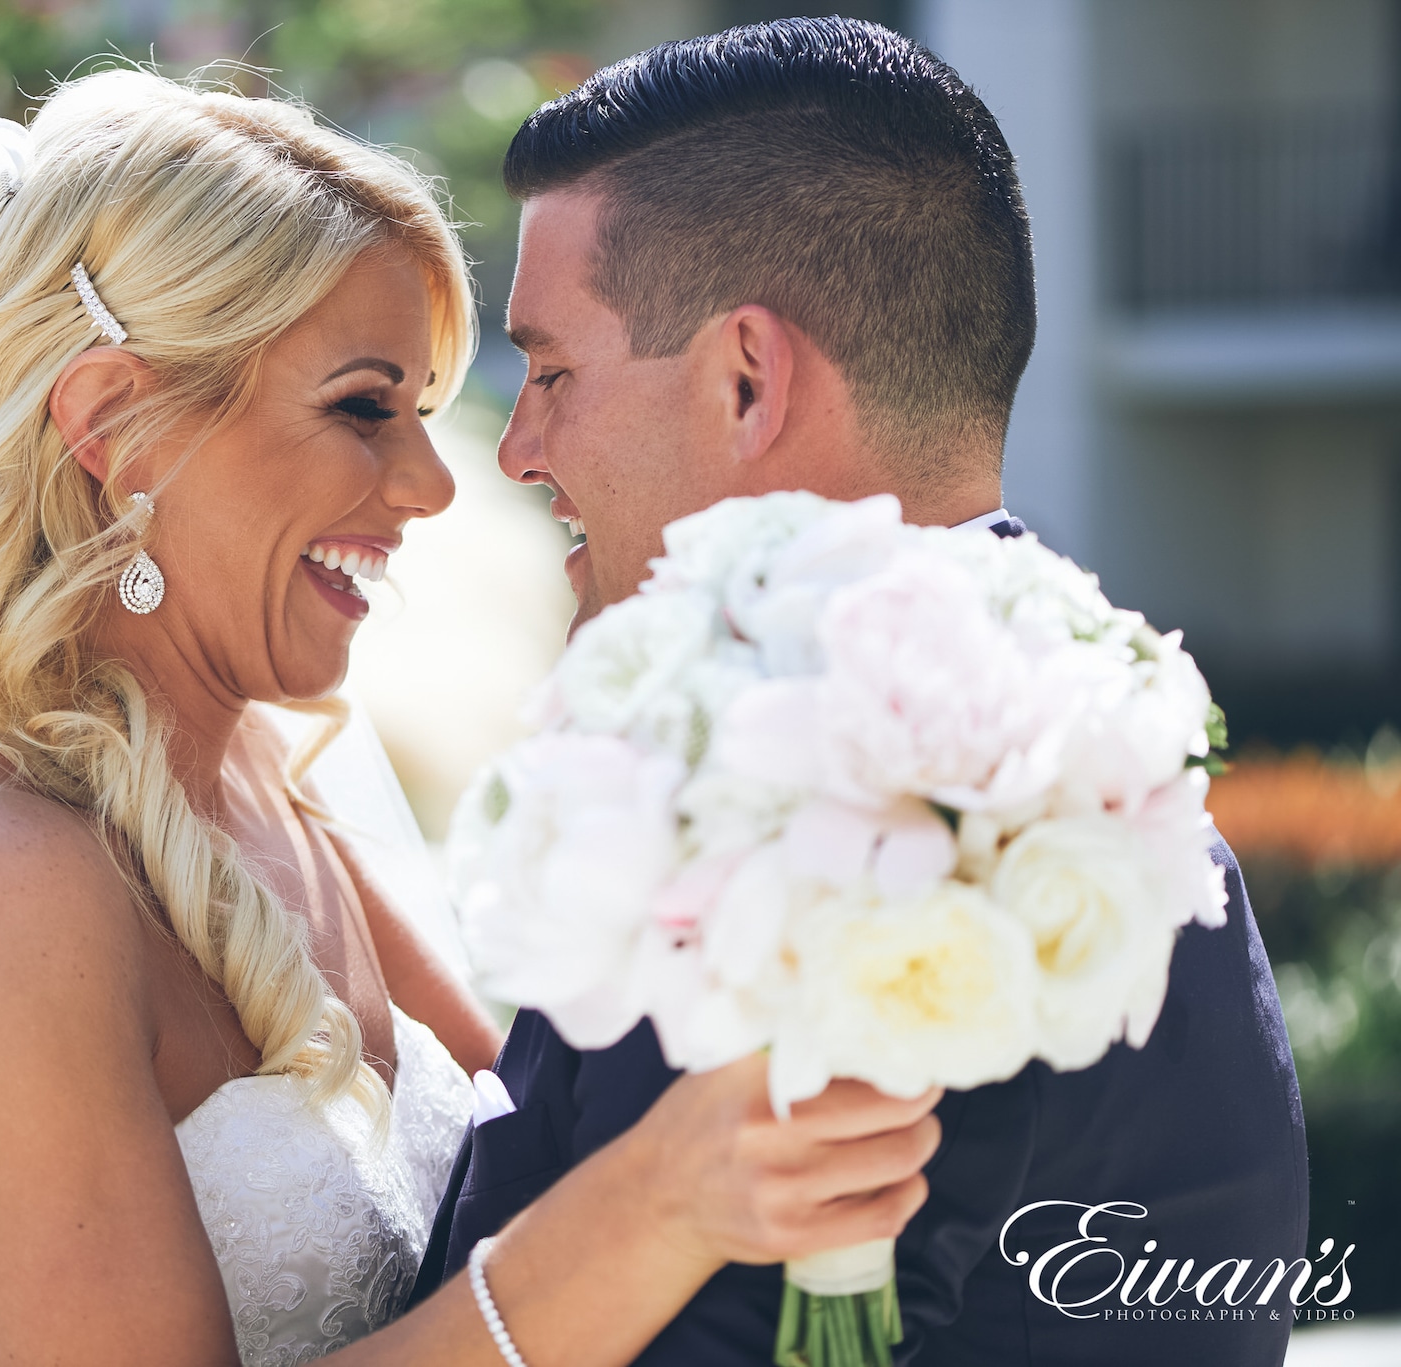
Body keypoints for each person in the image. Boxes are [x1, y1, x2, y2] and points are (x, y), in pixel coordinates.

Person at [0, 67, 944, 1367]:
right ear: (117, 425)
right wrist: (653, 1213)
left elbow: (545, 1146)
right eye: (365, 408)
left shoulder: (263, 790)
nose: (437, 484)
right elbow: (606, 1212)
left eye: (427, 412)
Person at [413, 18, 1309, 1367]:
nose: (521, 445)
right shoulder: (1076, 749)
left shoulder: (828, 810)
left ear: (747, 378)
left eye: (550, 372)